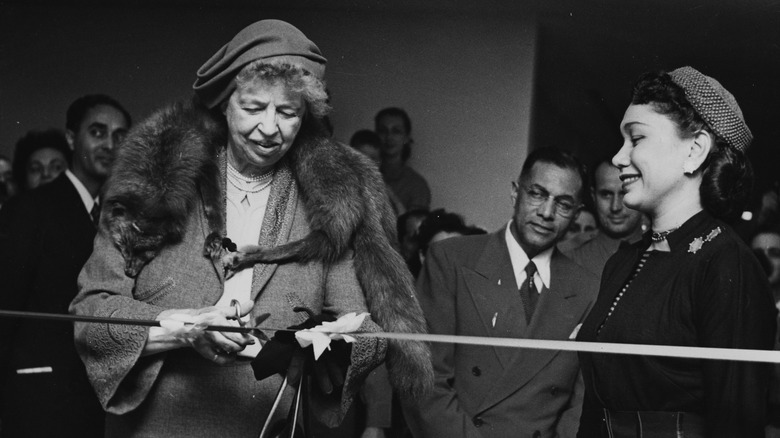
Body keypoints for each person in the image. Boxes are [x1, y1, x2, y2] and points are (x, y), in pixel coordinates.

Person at [68, 20, 431, 438]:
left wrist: (328, 341)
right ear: (224, 103)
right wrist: (179, 328)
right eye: (254, 108)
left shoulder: (327, 202)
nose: (270, 128)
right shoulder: (156, 181)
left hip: (267, 423)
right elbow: (92, 310)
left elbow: (363, 325)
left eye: (288, 112)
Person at [576, 67, 777, 437]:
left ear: (695, 150)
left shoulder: (726, 263)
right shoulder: (622, 261)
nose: (619, 158)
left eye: (635, 138)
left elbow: (737, 424)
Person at [404, 147, 599, 438]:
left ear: (575, 214)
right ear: (514, 193)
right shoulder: (451, 260)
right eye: (537, 194)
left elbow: (581, 402)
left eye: (563, 204)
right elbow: (425, 378)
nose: (546, 213)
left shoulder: (587, 289)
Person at [0, 94, 131, 437]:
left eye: (120, 135)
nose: (110, 145)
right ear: (72, 138)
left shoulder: (122, 214)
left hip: (96, 401)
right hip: (38, 397)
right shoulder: (30, 208)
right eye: (98, 132)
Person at [566, 159, 644, 278]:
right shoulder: (570, 259)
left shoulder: (664, 256)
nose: (615, 206)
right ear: (593, 196)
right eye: (606, 194)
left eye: (625, 193)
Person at [375, 107, 431, 211]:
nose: (389, 137)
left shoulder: (416, 185)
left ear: (406, 137)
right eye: (383, 131)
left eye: (396, 131)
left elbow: (415, 225)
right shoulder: (364, 173)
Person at [350, 129, 405, 216]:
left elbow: (401, 214)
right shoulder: (345, 184)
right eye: (362, 157)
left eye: (372, 159)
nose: (367, 163)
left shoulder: (384, 188)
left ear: (380, 162)